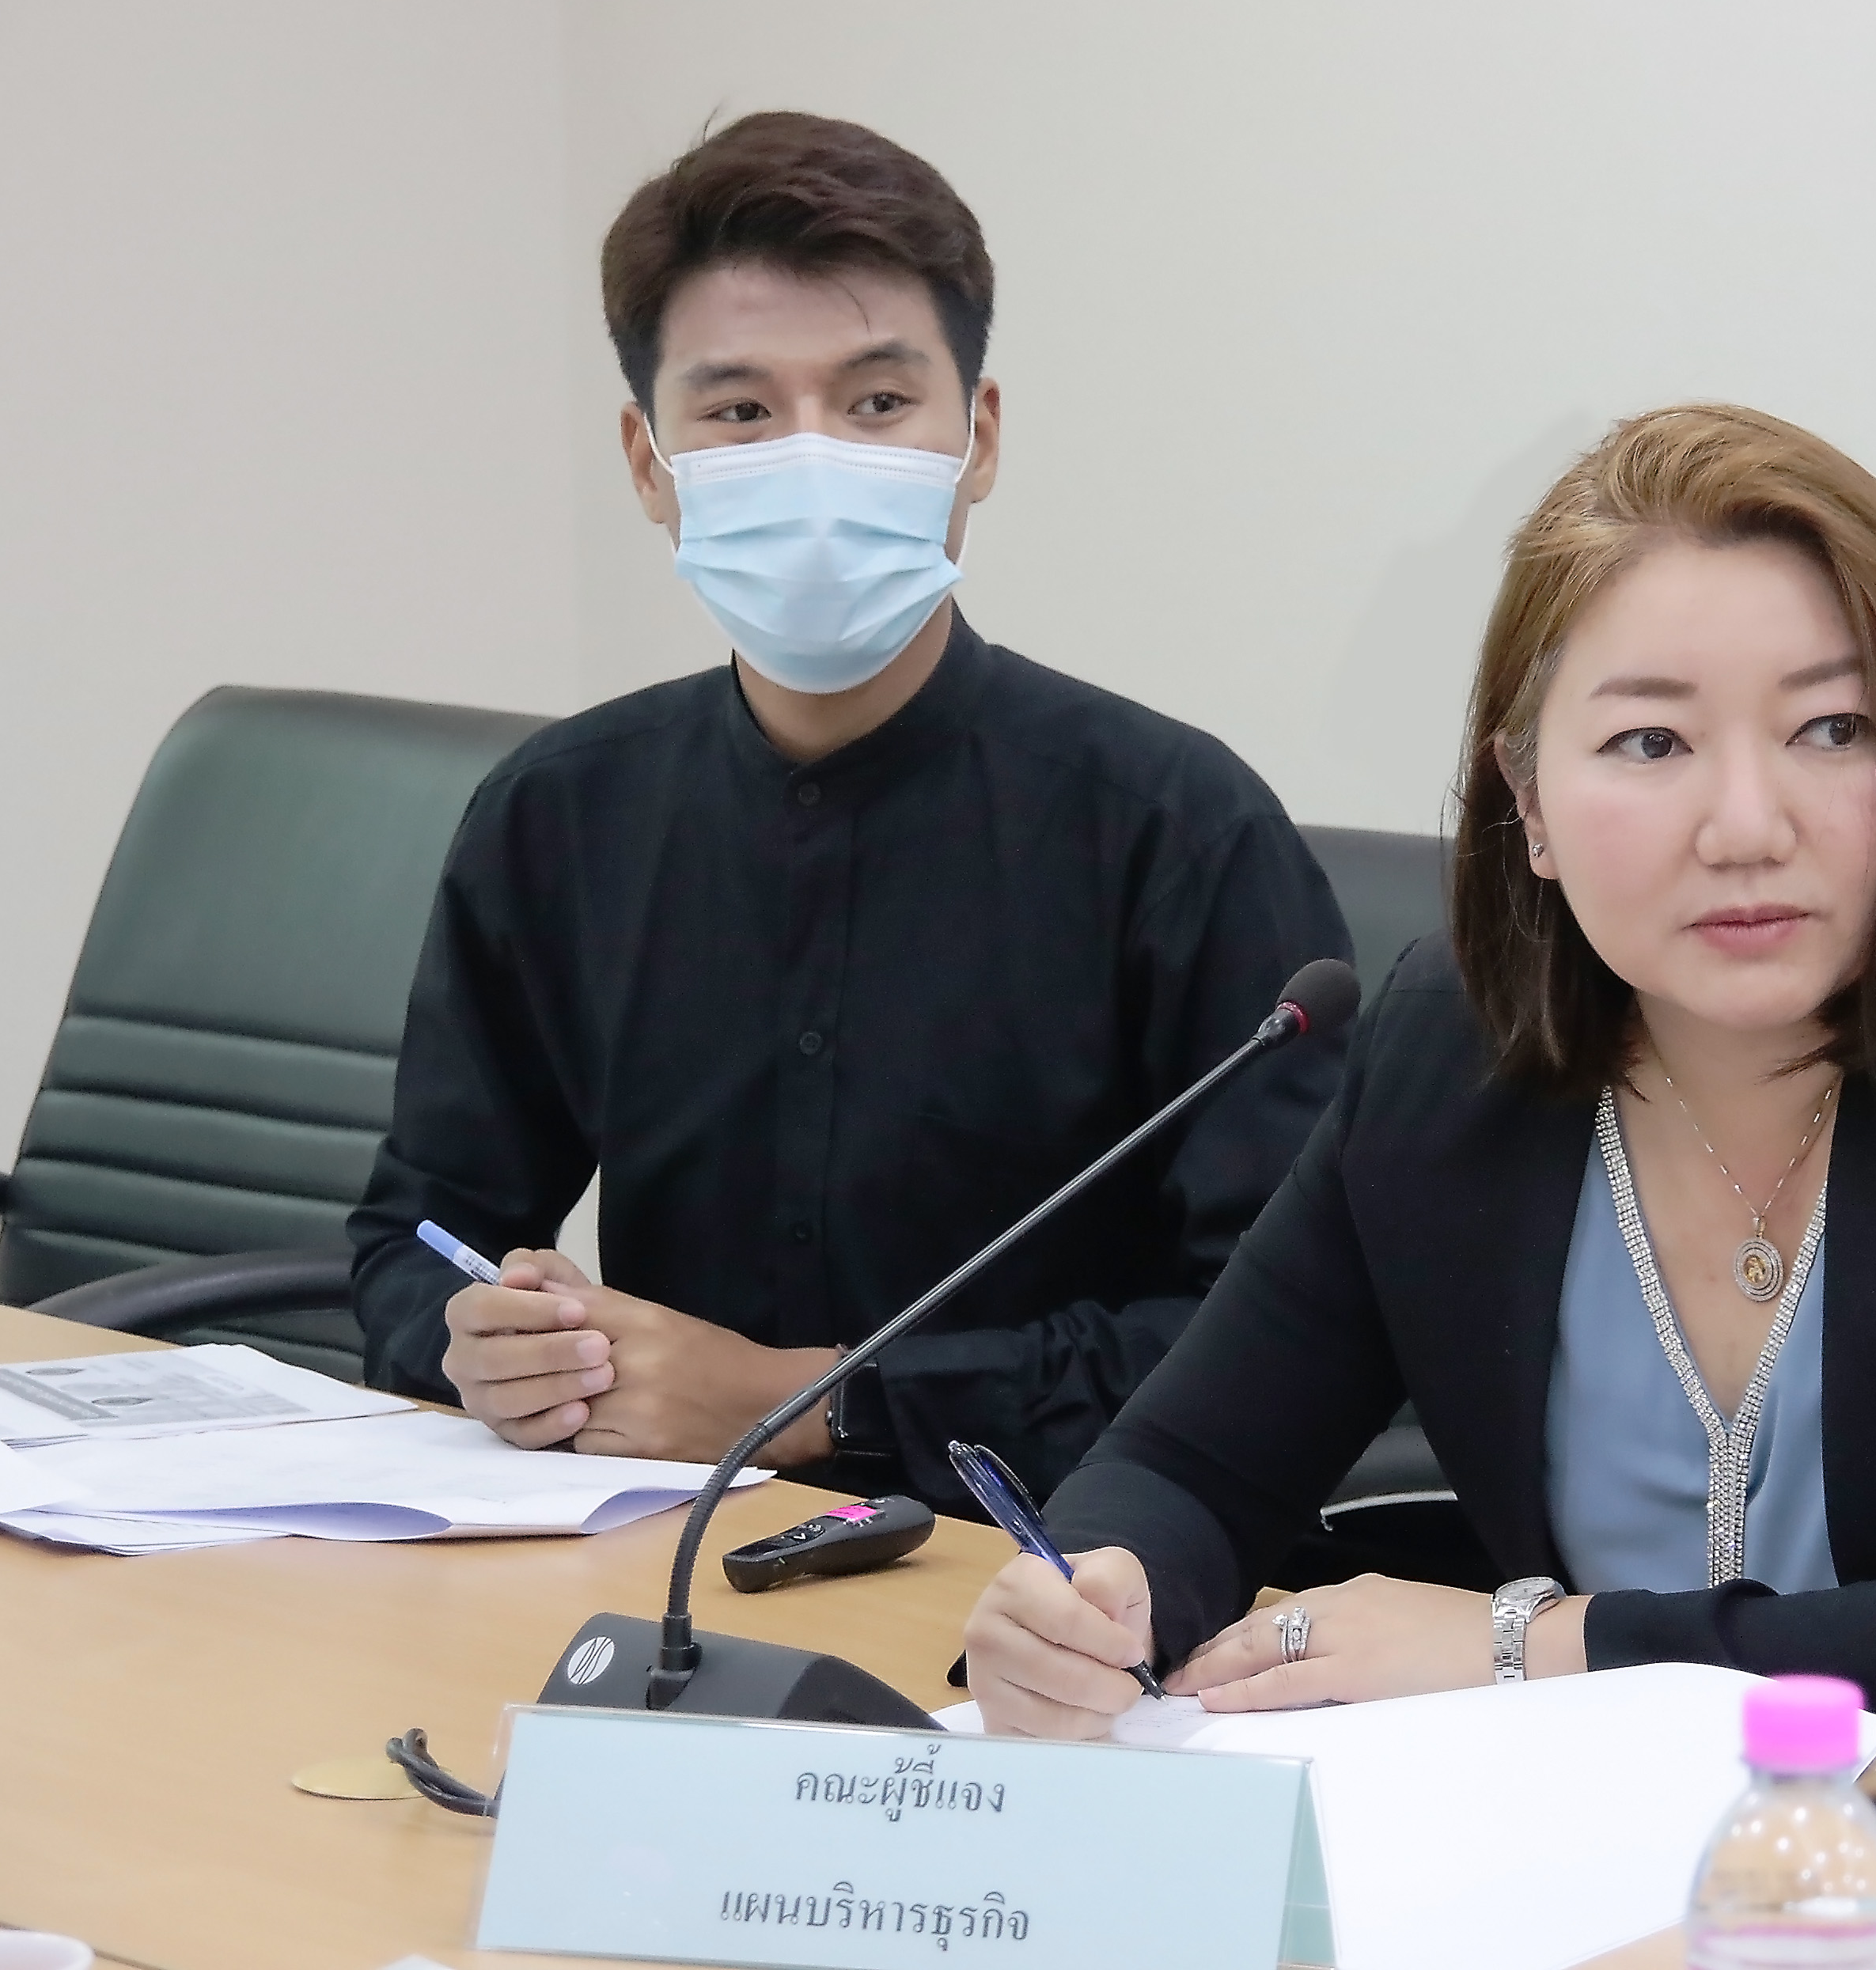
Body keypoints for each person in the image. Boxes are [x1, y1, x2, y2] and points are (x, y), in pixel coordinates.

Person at [964, 404, 1876, 1824]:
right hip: (1686, 1865)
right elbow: (1194, 1463)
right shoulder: (1452, 1052)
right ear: (1528, 803)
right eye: (1652, 743)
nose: (1746, 825)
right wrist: (1099, 1591)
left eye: (1834, 728)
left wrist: (1518, 1646)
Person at [346, 113, 1349, 1513]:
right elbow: (416, 1235)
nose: (812, 460)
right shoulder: (558, 815)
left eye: (877, 404)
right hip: (651, 1544)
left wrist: (818, 1403)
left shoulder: (1178, 830)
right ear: (647, 461)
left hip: (1053, 1571)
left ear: (976, 438)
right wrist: (476, 1344)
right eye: (740, 414)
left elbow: (1291, 1335)